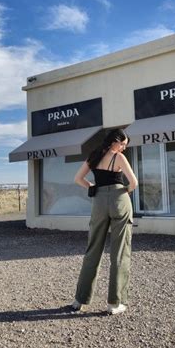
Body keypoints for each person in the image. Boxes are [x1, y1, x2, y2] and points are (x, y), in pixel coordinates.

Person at [71, 128, 138, 315]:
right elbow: (134, 183)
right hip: (119, 199)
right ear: (114, 141)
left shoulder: (93, 156)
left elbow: (78, 179)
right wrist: (124, 191)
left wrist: (92, 186)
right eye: (123, 144)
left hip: (98, 201)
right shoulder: (119, 158)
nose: (124, 148)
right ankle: (115, 303)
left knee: (92, 249)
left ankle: (79, 300)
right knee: (120, 251)